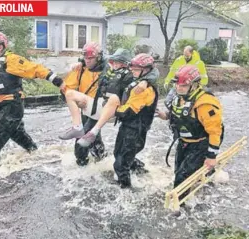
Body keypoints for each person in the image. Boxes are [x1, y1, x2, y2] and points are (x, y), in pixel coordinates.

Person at [0, 30, 64, 161]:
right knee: (17, 134)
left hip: (12, 105)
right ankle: (37, 154)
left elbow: (35, 69)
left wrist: (57, 81)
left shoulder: (11, 60)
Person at [81, 53, 159, 188]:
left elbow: (128, 111)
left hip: (136, 129)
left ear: (145, 70)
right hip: (128, 126)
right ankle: (142, 172)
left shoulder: (144, 90)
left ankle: (126, 190)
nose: (132, 71)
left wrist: (111, 110)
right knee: (119, 154)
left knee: (121, 163)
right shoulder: (138, 80)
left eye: (135, 69)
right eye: (132, 68)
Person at [156, 65, 224, 198]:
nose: (179, 88)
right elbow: (180, 115)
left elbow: (215, 132)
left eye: (183, 86)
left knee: (182, 178)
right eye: (177, 85)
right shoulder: (180, 97)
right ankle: (205, 176)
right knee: (178, 171)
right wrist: (165, 116)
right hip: (185, 142)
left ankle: (179, 207)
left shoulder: (205, 103)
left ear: (194, 85)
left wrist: (211, 156)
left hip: (201, 143)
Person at [58, 42, 108, 166]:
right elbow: (66, 89)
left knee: (81, 141)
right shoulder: (80, 69)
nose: (88, 61)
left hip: (98, 110)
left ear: (99, 57)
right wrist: (76, 101)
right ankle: (101, 160)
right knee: (93, 137)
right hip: (85, 109)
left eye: (91, 58)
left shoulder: (108, 70)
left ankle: (81, 165)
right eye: (86, 58)